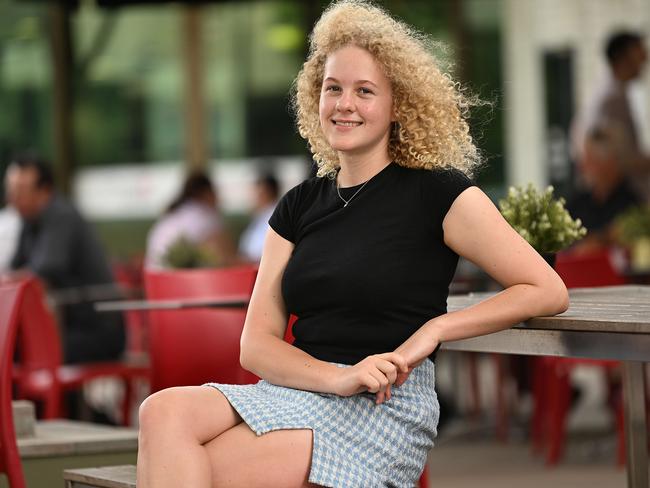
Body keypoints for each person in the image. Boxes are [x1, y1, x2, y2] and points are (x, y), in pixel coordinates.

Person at [136, 2, 569, 487]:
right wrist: (335, 377)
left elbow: (546, 288)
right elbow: (255, 347)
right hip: (302, 388)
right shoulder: (298, 205)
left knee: (194, 470)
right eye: (333, 88)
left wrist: (436, 330)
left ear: (397, 104)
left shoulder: (438, 193)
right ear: (314, 97)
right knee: (160, 412)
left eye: (365, 91)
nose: (345, 104)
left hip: (384, 405)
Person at [6, 154, 125, 364]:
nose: (13, 199)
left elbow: (42, 274)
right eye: (10, 190)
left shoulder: (61, 216)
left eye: (20, 191)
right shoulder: (29, 221)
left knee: (13, 351)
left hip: (94, 332)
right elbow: (13, 270)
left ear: (45, 192)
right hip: (64, 327)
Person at [572, 31, 650, 202]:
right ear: (624, 58)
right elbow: (618, 157)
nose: (645, 57)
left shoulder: (616, 92)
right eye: (639, 52)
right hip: (614, 196)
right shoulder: (609, 99)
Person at [568, 127, 640, 253]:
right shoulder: (578, 203)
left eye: (590, 159)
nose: (582, 166)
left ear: (610, 163)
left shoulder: (631, 205)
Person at [145, 171, 236, 269]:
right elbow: (228, 256)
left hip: (155, 279)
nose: (218, 199)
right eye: (215, 193)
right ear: (207, 193)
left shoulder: (173, 214)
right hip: (180, 280)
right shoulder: (205, 215)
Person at [238, 172, 280, 262]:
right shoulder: (262, 214)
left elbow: (261, 251)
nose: (255, 197)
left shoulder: (274, 214)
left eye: (259, 192)